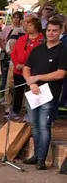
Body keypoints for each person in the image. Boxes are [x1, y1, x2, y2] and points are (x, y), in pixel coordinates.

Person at [21, 16, 67, 170]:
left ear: (61, 31)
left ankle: (41, 158)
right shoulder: (37, 50)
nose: (51, 33)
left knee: (44, 125)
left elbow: (60, 73)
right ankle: (35, 155)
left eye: (54, 31)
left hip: (49, 94)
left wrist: (39, 77)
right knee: (34, 125)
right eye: (48, 30)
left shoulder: (63, 51)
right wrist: (31, 82)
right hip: (33, 92)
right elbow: (27, 68)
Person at [9, 16, 44, 120]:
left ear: (36, 26)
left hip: (32, 72)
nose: (27, 26)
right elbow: (14, 53)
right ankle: (15, 111)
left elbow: (40, 57)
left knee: (31, 92)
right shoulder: (22, 38)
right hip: (18, 71)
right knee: (18, 91)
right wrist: (16, 64)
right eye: (27, 24)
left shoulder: (41, 41)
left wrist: (25, 66)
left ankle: (30, 113)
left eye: (30, 25)